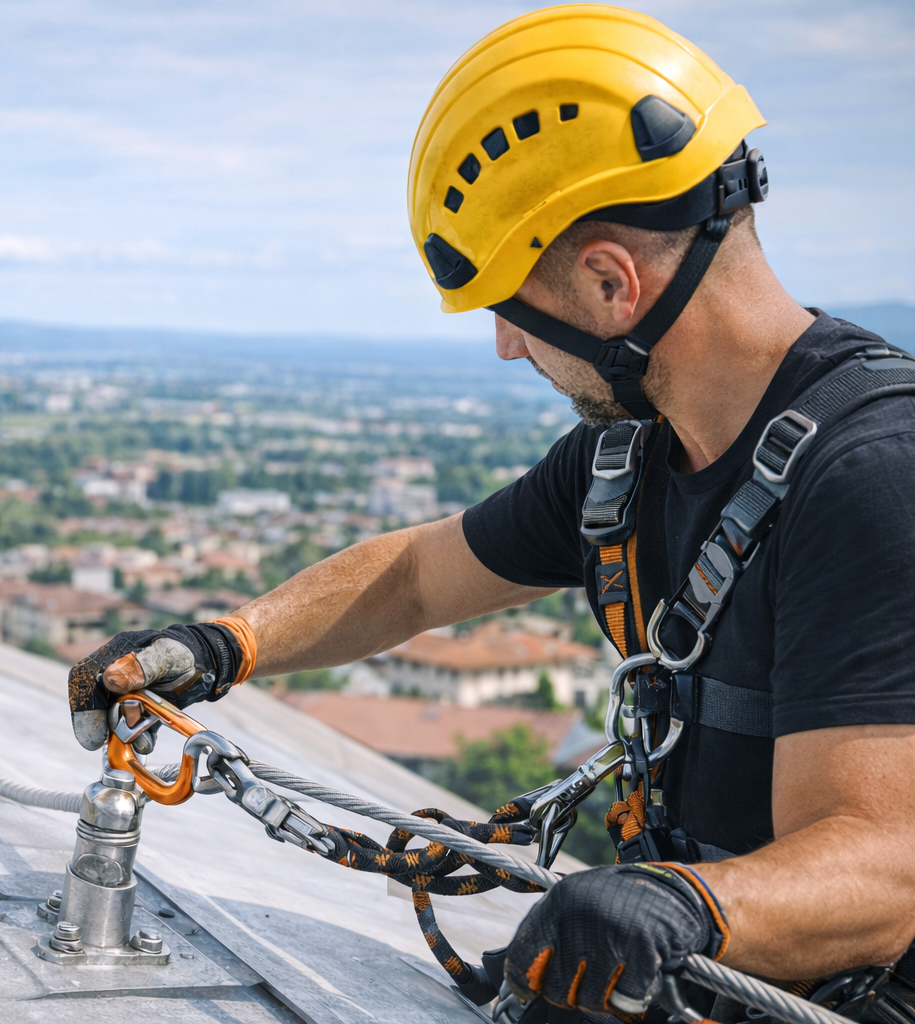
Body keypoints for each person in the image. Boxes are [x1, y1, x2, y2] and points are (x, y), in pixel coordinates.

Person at [66, 6, 915, 1022]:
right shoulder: (631, 454)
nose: (509, 348)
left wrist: (674, 903)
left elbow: (883, 870)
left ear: (609, 281)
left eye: (512, 306)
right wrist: (219, 644)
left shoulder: (871, 476)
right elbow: (418, 576)